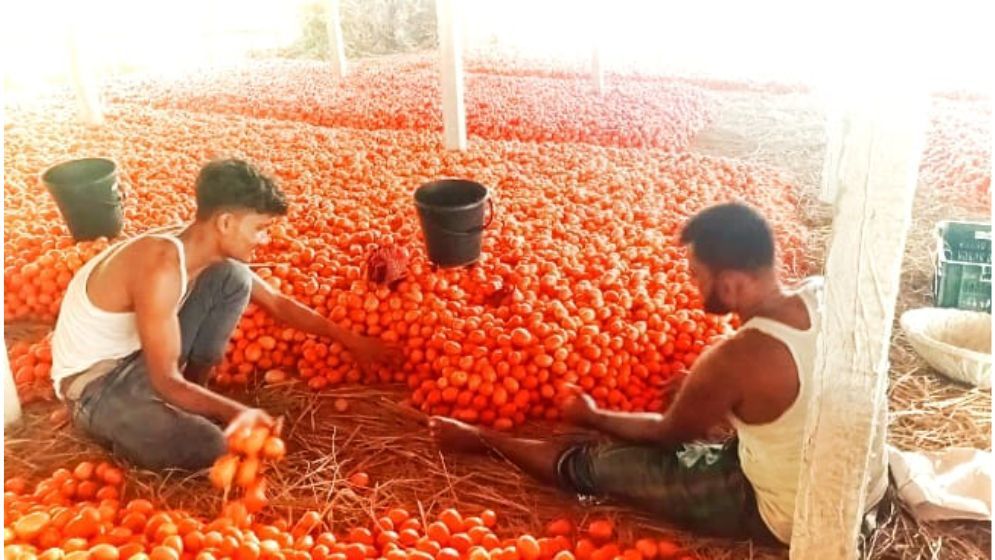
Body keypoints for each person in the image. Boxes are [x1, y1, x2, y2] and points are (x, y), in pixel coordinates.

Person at [429, 202, 888, 545]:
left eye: (696, 276)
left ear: (730, 284)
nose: (692, 285)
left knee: (601, 464)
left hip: (793, 514)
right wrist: (708, 389)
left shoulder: (734, 359)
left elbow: (668, 435)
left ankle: (481, 440)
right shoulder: (825, 295)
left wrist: (592, 416)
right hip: (862, 490)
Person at [51, 159, 398, 471]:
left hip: (141, 354)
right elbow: (166, 380)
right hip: (99, 383)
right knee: (211, 447)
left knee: (234, 277)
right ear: (227, 222)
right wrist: (237, 412)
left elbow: (277, 303)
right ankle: (99, 416)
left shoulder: (196, 241)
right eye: (259, 228)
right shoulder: (161, 267)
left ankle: (192, 397)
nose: (263, 239)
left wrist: (350, 340)